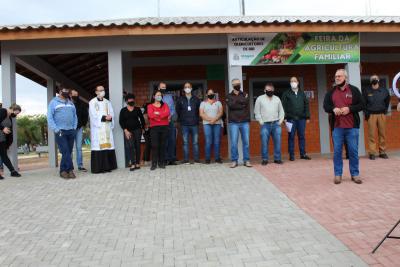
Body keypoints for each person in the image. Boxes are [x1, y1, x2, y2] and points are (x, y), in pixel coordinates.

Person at [323, 69, 364, 185]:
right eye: (336, 76)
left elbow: (362, 104)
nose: (337, 78)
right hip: (337, 128)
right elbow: (325, 106)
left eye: (339, 76)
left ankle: (355, 174)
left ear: (345, 77)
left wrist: (349, 109)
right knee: (337, 152)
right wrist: (333, 109)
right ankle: (338, 174)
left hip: (352, 127)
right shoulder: (330, 92)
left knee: (353, 151)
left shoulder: (354, 90)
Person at [47, 86, 77, 179]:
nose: (67, 93)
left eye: (68, 91)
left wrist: (74, 127)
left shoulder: (71, 103)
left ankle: (63, 170)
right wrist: (56, 129)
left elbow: (75, 116)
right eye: (65, 91)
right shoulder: (53, 102)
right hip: (60, 131)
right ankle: (70, 169)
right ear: (60, 92)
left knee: (68, 151)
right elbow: (49, 117)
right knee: (65, 151)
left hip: (71, 130)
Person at [281, 76, 311, 161]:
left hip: (302, 119)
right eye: (291, 81)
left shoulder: (302, 93)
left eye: (294, 81)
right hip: (290, 119)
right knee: (291, 136)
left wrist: (307, 116)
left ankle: (303, 154)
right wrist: (284, 117)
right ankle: (291, 155)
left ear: (298, 82)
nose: (293, 82)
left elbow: (306, 105)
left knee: (302, 136)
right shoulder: (286, 93)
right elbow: (283, 106)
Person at [89, 85, 117, 173]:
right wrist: (104, 117)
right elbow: (93, 115)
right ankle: (99, 168)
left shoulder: (107, 102)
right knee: (99, 147)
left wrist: (110, 117)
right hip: (98, 128)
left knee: (107, 147)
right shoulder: (92, 102)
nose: (102, 91)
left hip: (107, 127)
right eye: (100, 90)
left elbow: (112, 112)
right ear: (96, 92)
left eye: (103, 90)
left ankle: (107, 167)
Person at [254, 83, 285, 165]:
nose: (270, 91)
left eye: (271, 90)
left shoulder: (277, 99)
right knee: (264, 142)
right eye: (268, 90)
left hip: (276, 124)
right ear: (265, 90)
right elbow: (256, 112)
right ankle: (265, 159)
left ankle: (277, 159)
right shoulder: (260, 99)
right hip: (265, 125)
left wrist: (280, 121)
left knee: (278, 142)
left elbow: (281, 111)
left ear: (273, 90)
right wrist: (261, 121)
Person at [363, 74, 390, 160]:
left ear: (378, 80)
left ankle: (382, 152)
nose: (374, 80)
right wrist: (366, 113)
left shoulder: (384, 90)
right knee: (371, 135)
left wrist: (385, 110)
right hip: (371, 115)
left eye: (375, 78)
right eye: (372, 79)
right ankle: (372, 153)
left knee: (382, 134)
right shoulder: (366, 90)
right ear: (370, 81)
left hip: (381, 114)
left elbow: (387, 101)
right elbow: (364, 103)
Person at [226, 79, 252, 168]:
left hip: (244, 122)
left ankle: (246, 160)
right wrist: (241, 102)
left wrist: (237, 102)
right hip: (233, 122)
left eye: (238, 83)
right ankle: (234, 161)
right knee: (233, 143)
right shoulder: (228, 95)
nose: (237, 85)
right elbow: (231, 106)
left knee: (246, 142)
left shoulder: (245, 94)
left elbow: (246, 103)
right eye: (236, 84)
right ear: (232, 85)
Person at [176, 82, 201, 164]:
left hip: (194, 124)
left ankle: (196, 159)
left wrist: (197, 119)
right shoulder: (180, 99)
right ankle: (186, 159)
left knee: (195, 143)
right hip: (184, 124)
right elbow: (178, 111)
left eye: (189, 86)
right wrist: (182, 118)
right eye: (185, 87)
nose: (187, 88)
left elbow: (199, 111)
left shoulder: (196, 99)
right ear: (184, 89)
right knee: (185, 143)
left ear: (191, 88)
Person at [119, 93, 145, 171]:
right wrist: (125, 130)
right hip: (128, 131)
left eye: (132, 99)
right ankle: (132, 163)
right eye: (129, 99)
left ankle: (137, 163)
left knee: (137, 146)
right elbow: (121, 121)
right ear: (126, 101)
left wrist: (142, 128)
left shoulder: (137, 109)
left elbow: (142, 119)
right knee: (130, 146)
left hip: (137, 130)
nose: (131, 100)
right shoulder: (123, 110)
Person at [147, 90, 170, 170]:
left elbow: (167, 113)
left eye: (160, 95)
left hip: (164, 127)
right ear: (154, 96)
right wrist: (161, 116)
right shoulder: (150, 106)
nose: (159, 96)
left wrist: (157, 114)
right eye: (157, 95)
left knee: (162, 145)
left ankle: (161, 163)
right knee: (155, 145)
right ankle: (154, 163)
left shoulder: (165, 105)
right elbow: (150, 115)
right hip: (154, 128)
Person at [200, 89, 223, 164]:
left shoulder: (218, 103)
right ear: (206, 95)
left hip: (217, 124)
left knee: (217, 141)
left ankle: (217, 158)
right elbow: (201, 114)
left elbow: (220, 112)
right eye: (209, 93)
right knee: (208, 141)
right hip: (207, 124)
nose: (211, 94)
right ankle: (207, 159)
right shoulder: (203, 103)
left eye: (212, 93)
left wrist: (215, 119)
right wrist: (211, 120)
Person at [0, 104, 22, 180]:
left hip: (2, 139)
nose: (16, 115)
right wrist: (2, 128)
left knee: (4, 156)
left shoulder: (9, 117)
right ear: (12, 109)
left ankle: (13, 172)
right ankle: (12, 171)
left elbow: (9, 131)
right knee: (4, 156)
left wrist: (8, 143)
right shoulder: (3, 111)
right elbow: (3, 127)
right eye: (16, 113)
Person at [159, 82, 178, 165]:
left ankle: (172, 159)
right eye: (162, 87)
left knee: (172, 140)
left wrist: (170, 116)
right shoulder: (157, 98)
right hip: (161, 123)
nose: (164, 88)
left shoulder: (169, 97)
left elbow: (173, 109)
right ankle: (165, 159)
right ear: (159, 88)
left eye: (165, 87)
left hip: (170, 122)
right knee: (164, 141)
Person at [70, 89, 88, 172]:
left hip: (79, 128)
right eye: (74, 94)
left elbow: (85, 114)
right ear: (70, 95)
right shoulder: (67, 103)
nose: (75, 96)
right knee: (69, 148)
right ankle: (69, 166)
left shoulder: (81, 104)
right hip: (69, 129)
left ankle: (80, 165)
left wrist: (83, 124)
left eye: (77, 95)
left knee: (79, 147)